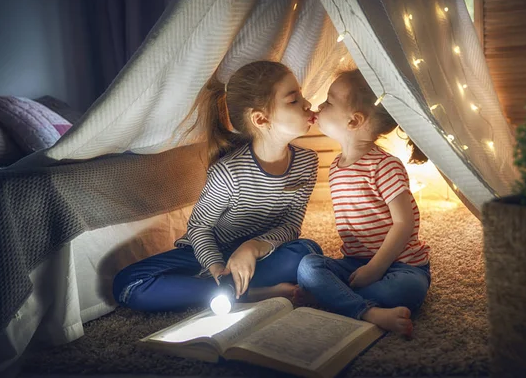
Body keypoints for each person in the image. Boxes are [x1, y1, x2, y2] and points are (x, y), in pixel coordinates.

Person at [113, 61, 322, 311]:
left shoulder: (308, 162)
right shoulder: (228, 172)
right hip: (208, 254)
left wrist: (252, 248)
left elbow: (291, 225)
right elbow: (199, 228)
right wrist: (215, 267)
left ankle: (225, 290)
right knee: (128, 284)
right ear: (260, 118)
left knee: (308, 251)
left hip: (259, 256)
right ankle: (247, 292)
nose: (307, 103)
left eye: (301, 95)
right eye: (293, 99)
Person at [297, 69, 430, 336]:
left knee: (405, 291)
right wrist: (364, 268)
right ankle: (369, 312)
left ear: (355, 120)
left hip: (401, 266)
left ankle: (338, 299)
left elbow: (404, 223)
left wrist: (376, 267)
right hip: (356, 263)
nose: (319, 107)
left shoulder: (385, 165)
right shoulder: (335, 166)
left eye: (329, 102)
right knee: (308, 267)